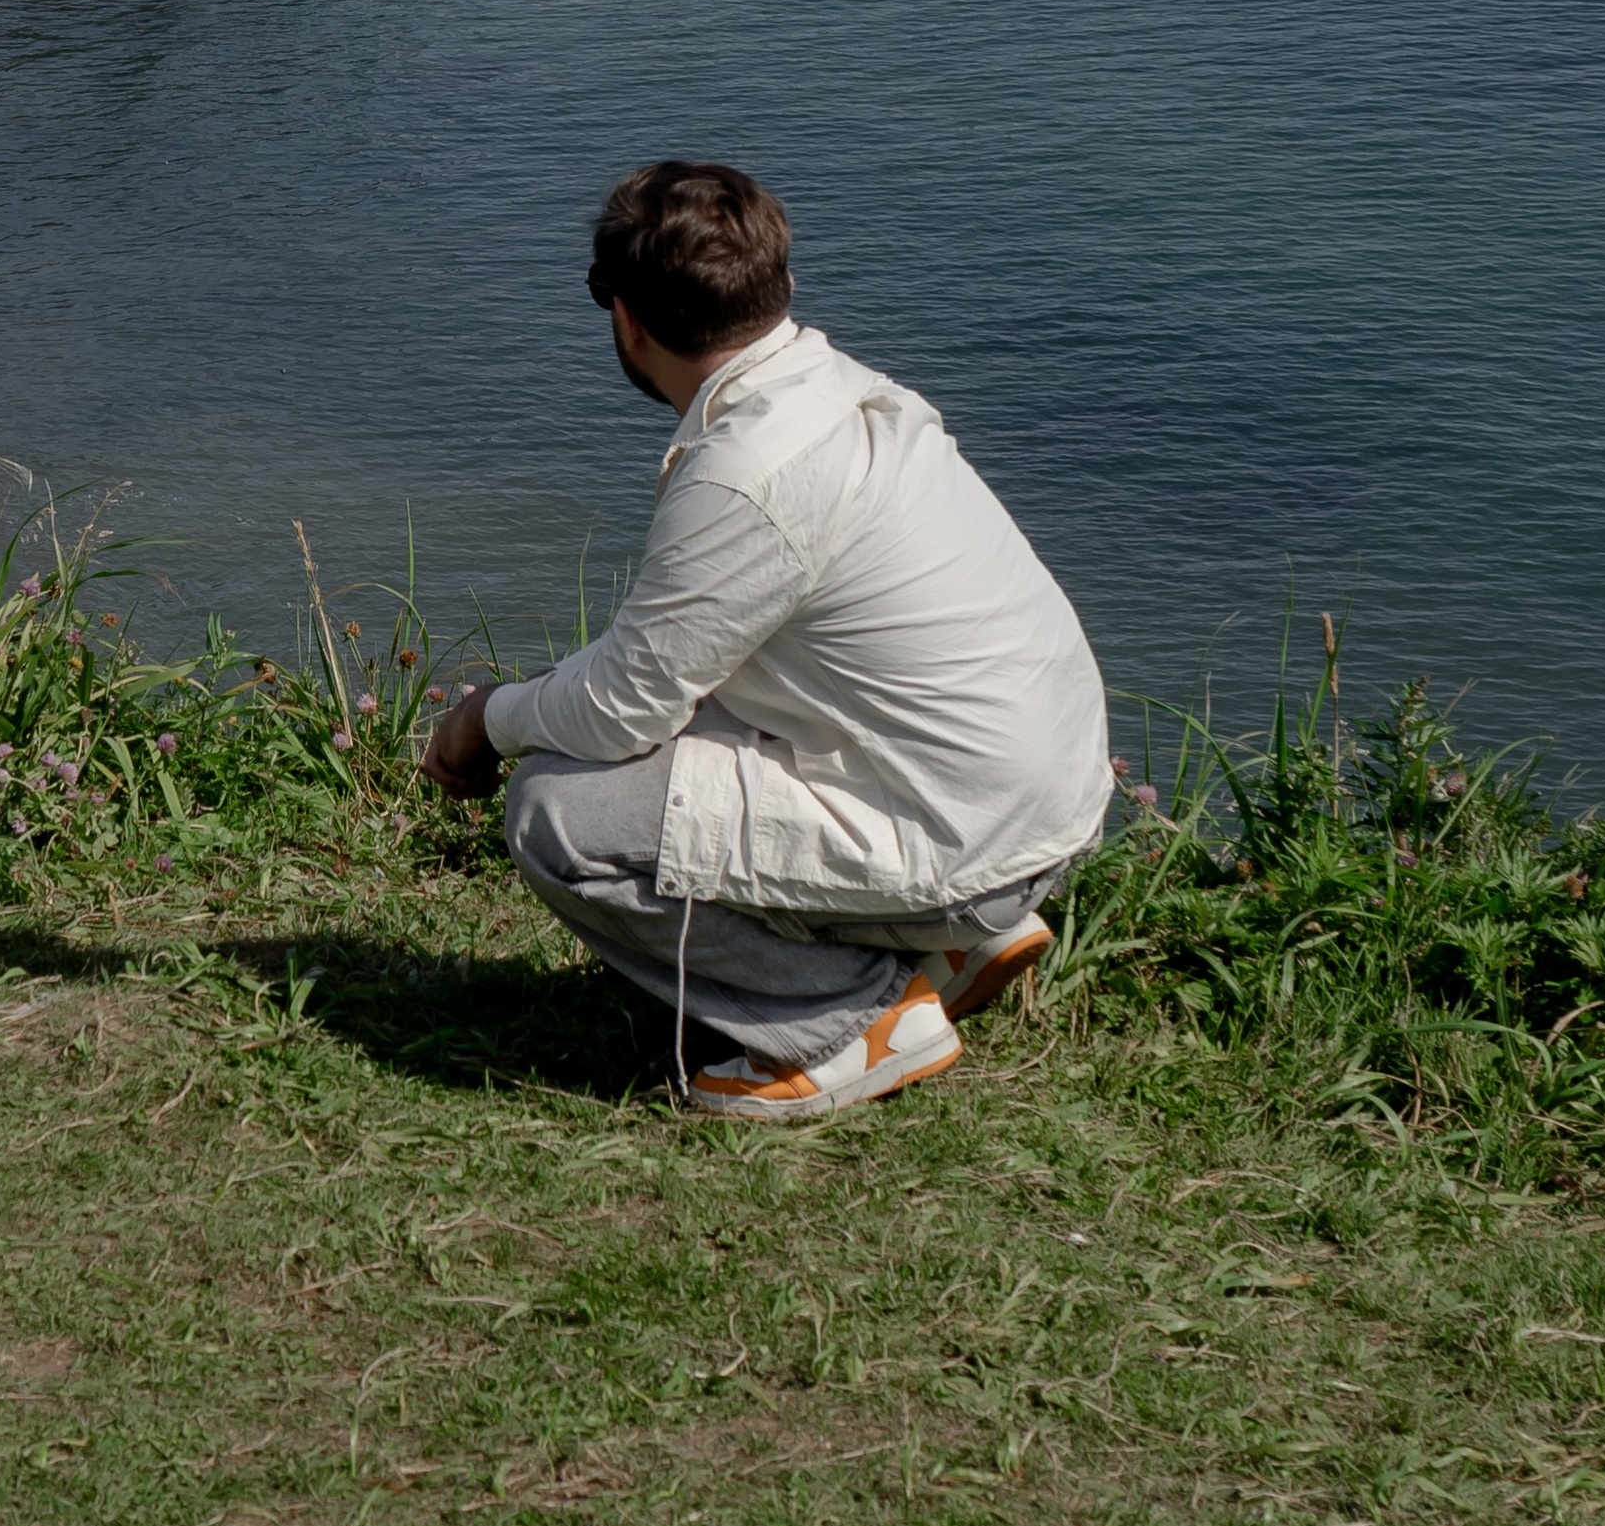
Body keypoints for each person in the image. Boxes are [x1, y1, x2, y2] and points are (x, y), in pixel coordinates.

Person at [422, 162, 1111, 1123]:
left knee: (558, 811)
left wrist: (481, 721)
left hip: (973, 841)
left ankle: (847, 1021)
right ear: (776, 286)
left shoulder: (747, 472)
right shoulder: (845, 392)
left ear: (626, 320)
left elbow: (623, 706)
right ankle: (945, 945)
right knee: (688, 726)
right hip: (1036, 806)